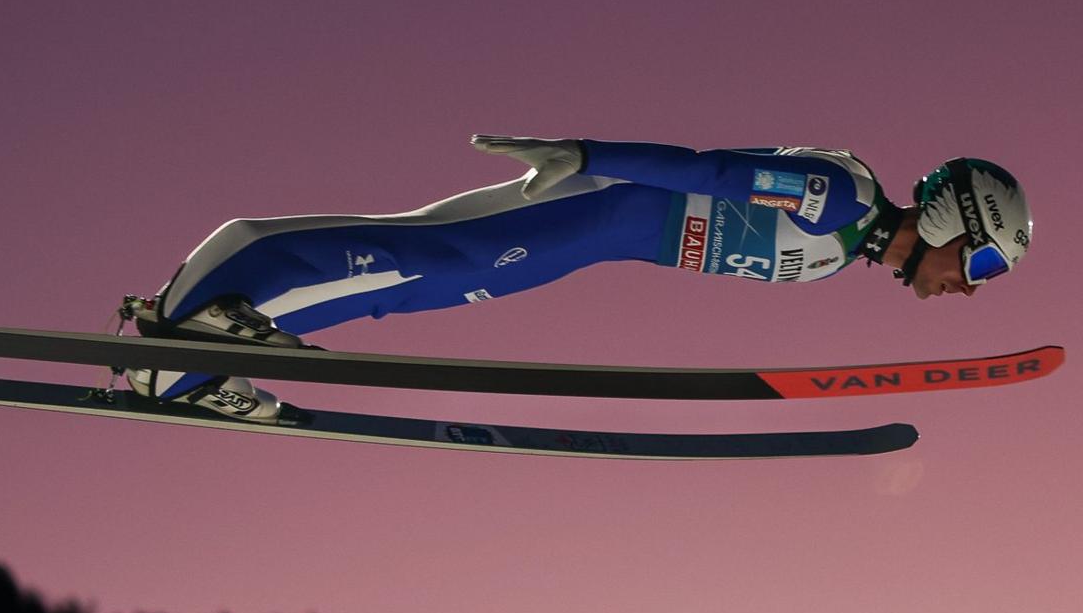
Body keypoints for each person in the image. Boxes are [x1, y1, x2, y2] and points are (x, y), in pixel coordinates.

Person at [120, 138, 1034, 419]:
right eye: (984, 261)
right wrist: (587, 152)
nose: (972, 284)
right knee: (433, 262)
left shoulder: (845, 248)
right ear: (958, 217)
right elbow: (715, 173)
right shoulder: (844, 197)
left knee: (420, 281)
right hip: (588, 208)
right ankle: (198, 312)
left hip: (586, 240)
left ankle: (204, 350)